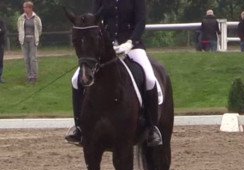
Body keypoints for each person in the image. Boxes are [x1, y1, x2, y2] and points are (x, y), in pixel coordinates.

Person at [65, 0, 163, 146]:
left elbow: (141, 22)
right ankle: (79, 127)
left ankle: (152, 127)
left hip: (133, 46)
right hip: (106, 47)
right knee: (75, 80)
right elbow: (95, 20)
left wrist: (130, 42)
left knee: (149, 78)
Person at [17, 1, 42, 83]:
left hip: (33, 39)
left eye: (25, 7)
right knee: (26, 59)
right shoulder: (21, 18)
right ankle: (29, 76)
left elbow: (39, 29)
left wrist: (35, 37)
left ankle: (34, 76)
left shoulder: (36, 18)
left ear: (30, 8)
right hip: (24, 40)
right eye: (24, 7)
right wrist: (22, 36)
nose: (24, 9)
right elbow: (19, 28)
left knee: (33, 59)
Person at [0, 18, 6, 83]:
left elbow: (3, 30)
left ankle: (0, 76)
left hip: (0, 44)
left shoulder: (1, 21)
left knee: (0, 60)